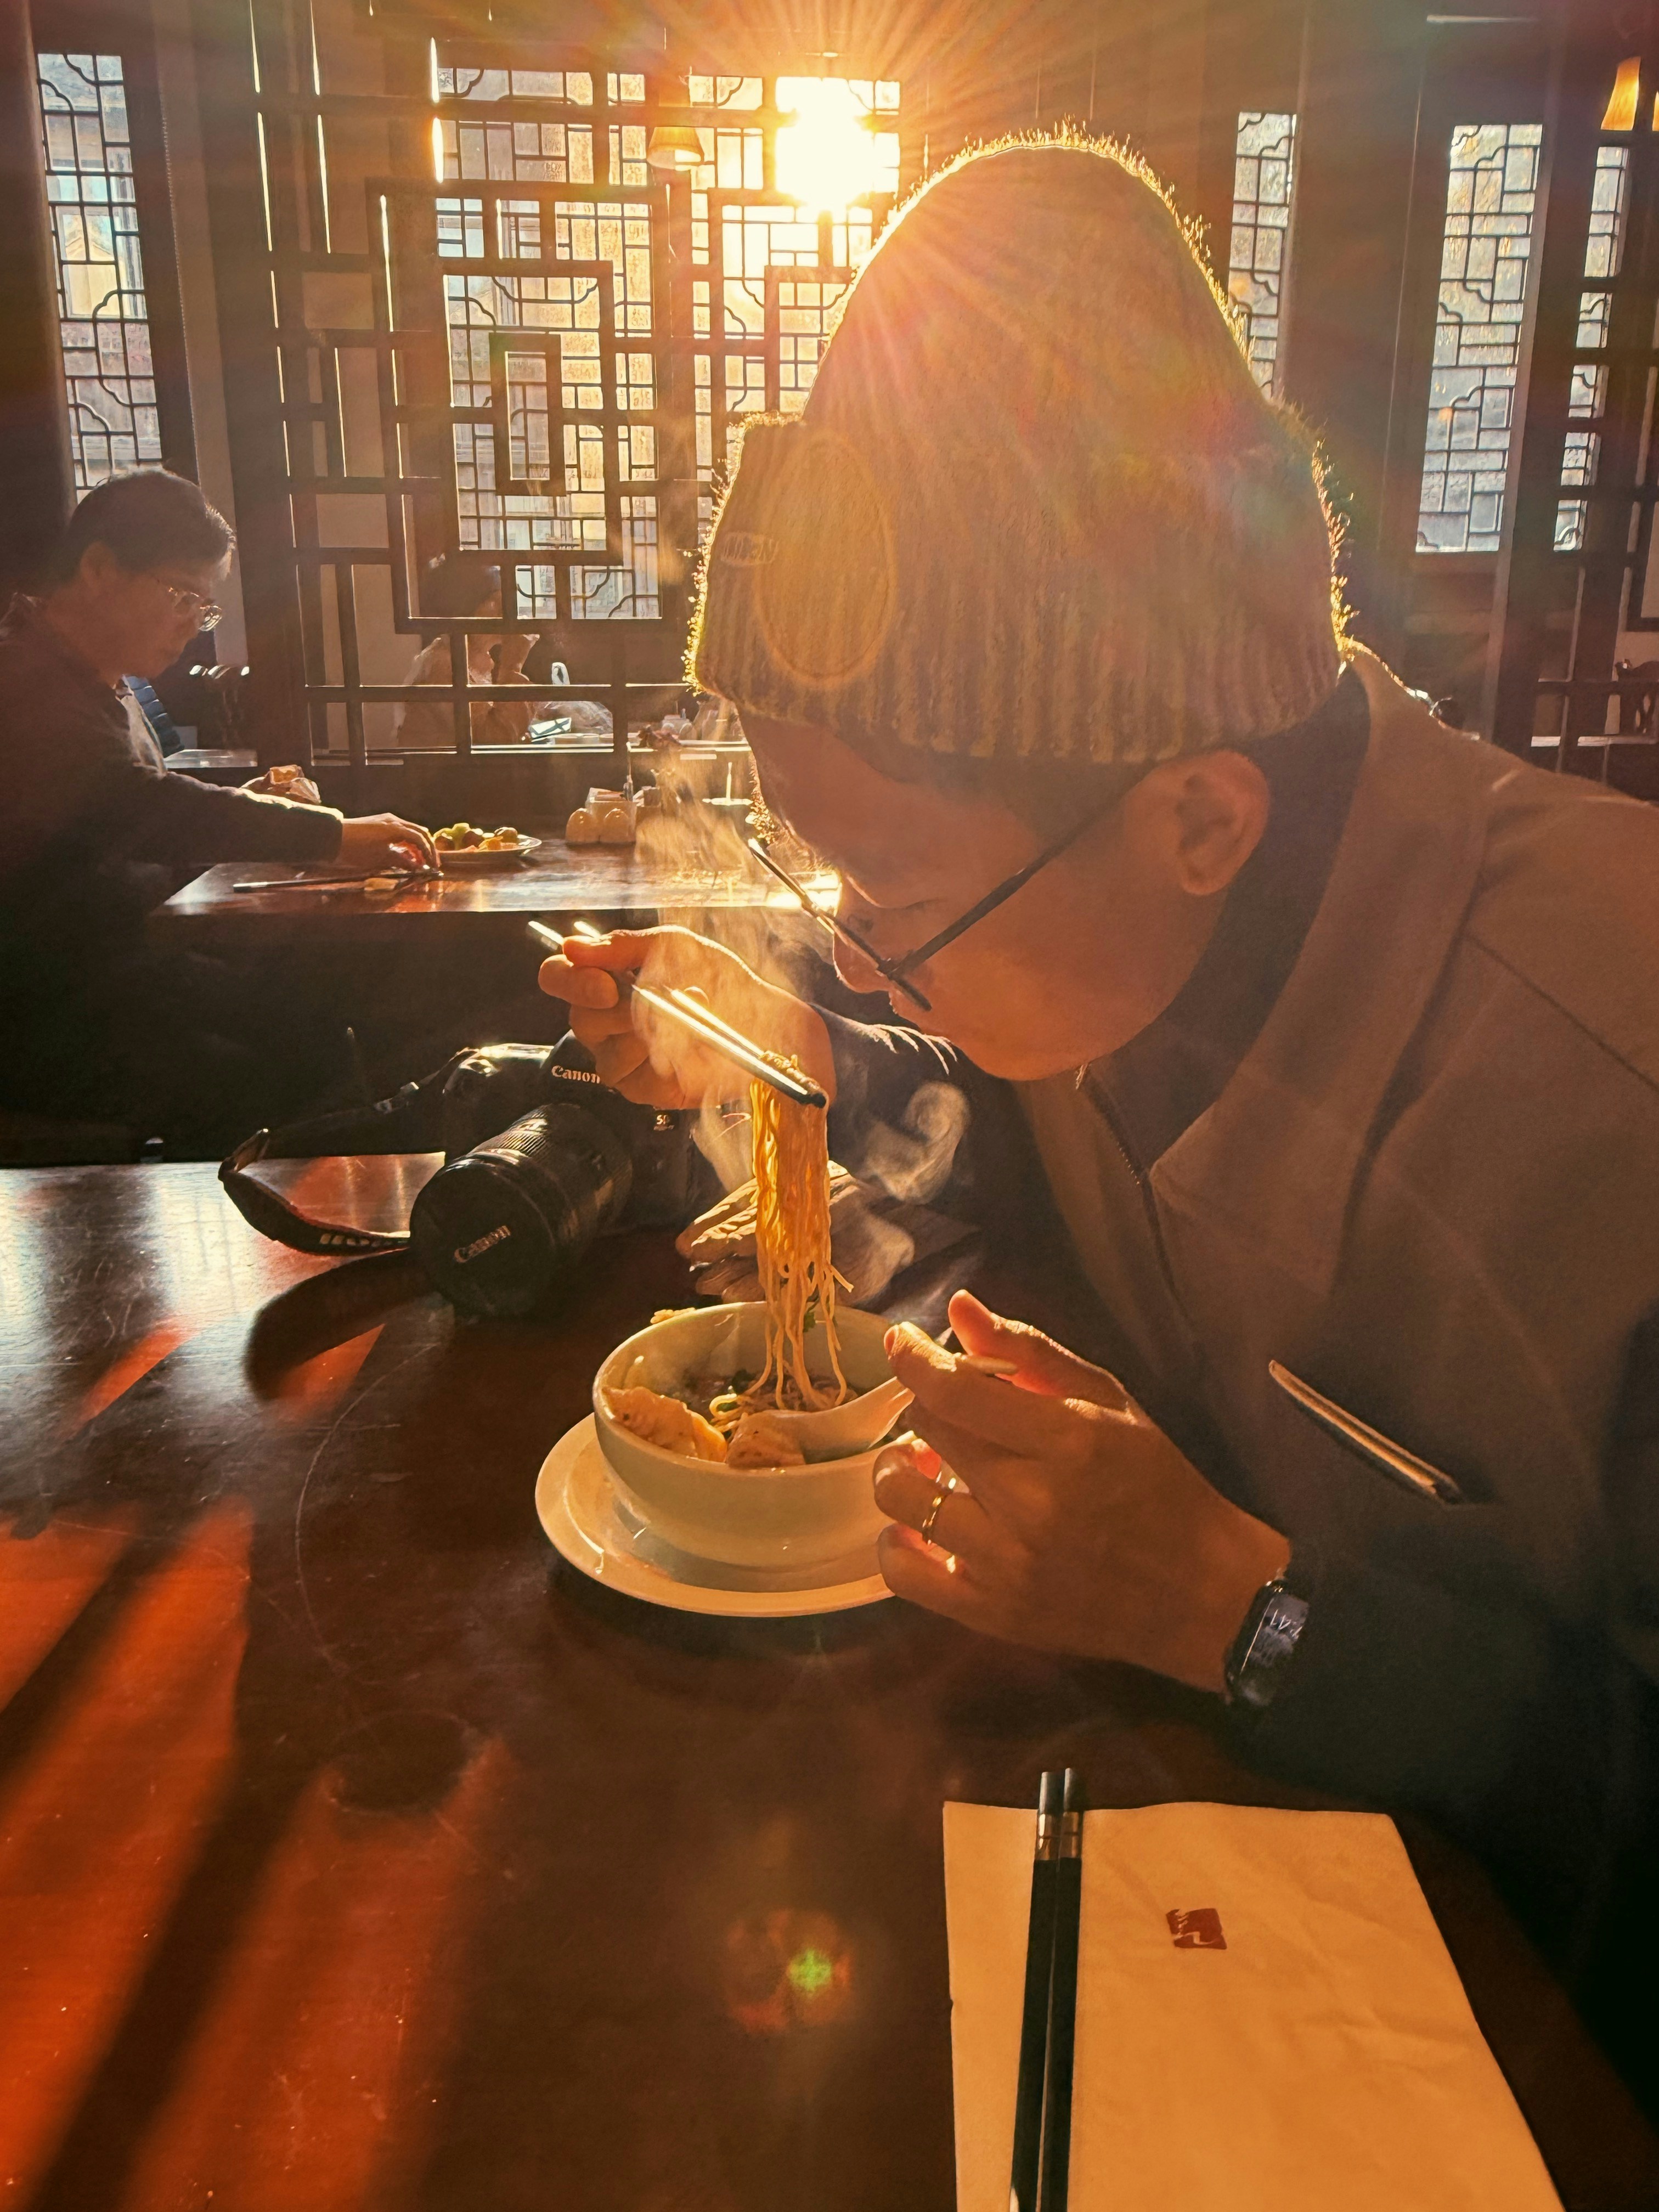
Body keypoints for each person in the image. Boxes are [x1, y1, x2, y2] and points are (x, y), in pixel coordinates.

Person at [537, 141, 1659, 2097]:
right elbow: (954, 1119)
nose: (863, 971)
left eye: (882, 909)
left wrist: (1250, 1618)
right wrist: (762, 1049)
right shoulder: (1117, 925)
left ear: (1197, 816)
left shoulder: (1600, 1090)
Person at [0, 468, 436, 1150]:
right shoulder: (23, 680)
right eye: (181, 596)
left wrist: (250, 810)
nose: (191, 626)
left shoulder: (99, 685)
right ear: (97, 569)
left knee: (318, 1019)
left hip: (124, 974)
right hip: (46, 1007)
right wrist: (331, 835)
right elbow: (138, 807)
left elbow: (126, 816)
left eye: (204, 609)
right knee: (265, 1072)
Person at [394, 555, 546, 748]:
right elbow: (491, 741)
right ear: (466, 608)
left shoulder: (476, 658)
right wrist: (512, 667)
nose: (505, 611)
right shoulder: (443, 664)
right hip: (447, 777)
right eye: (494, 601)